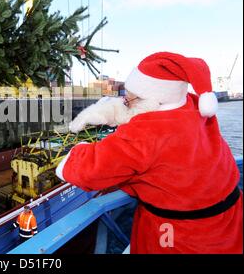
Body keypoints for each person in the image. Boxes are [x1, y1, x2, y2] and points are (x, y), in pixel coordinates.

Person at [56, 52, 243, 253]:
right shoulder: (192, 104)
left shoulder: (144, 135)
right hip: (229, 222)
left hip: (179, 234)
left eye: (128, 99)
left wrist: (74, 152)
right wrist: (113, 112)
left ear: (153, 100)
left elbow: (87, 170)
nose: (125, 102)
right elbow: (153, 116)